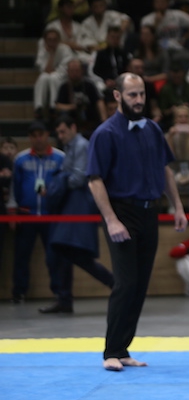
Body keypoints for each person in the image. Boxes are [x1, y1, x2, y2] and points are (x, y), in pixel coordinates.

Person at [86, 72, 187, 371]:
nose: (139, 99)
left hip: (149, 212)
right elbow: (94, 180)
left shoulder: (152, 129)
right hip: (121, 212)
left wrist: (177, 206)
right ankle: (110, 351)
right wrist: (111, 220)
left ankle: (123, 349)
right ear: (117, 96)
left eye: (141, 93)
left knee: (140, 284)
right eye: (132, 94)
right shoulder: (105, 133)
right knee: (126, 282)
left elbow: (165, 169)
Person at [39, 115, 115, 314]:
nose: (60, 136)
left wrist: (59, 181)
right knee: (64, 251)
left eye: (63, 131)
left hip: (78, 205)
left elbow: (79, 178)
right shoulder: (71, 147)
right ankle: (65, 298)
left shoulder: (81, 146)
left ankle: (114, 284)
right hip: (72, 205)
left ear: (73, 127)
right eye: (58, 132)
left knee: (72, 252)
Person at [10, 121, 66, 304]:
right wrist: (13, 212)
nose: (38, 139)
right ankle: (19, 292)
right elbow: (14, 187)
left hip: (51, 215)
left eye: (41, 134)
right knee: (21, 256)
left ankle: (59, 292)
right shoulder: (20, 159)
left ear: (47, 135)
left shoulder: (60, 158)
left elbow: (65, 185)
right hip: (26, 215)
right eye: (34, 135)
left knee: (54, 256)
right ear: (29, 137)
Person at [55, 59, 107, 135]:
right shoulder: (64, 87)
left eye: (77, 71)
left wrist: (104, 120)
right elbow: (58, 106)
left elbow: (99, 101)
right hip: (71, 121)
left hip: (90, 120)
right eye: (72, 71)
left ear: (82, 71)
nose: (74, 73)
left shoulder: (89, 85)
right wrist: (73, 107)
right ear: (68, 72)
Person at [34, 28, 75, 119]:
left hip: (62, 77)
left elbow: (64, 70)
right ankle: (39, 108)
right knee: (43, 77)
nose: (52, 42)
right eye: (49, 39)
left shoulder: (65, 49)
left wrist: (52, 71)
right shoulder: (43, 50)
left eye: (54, 39)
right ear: (45, 41)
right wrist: (52, 54)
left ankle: (53, 107)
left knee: (53, 77)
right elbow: (45, 70)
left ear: (59, 40)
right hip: (49, 76)